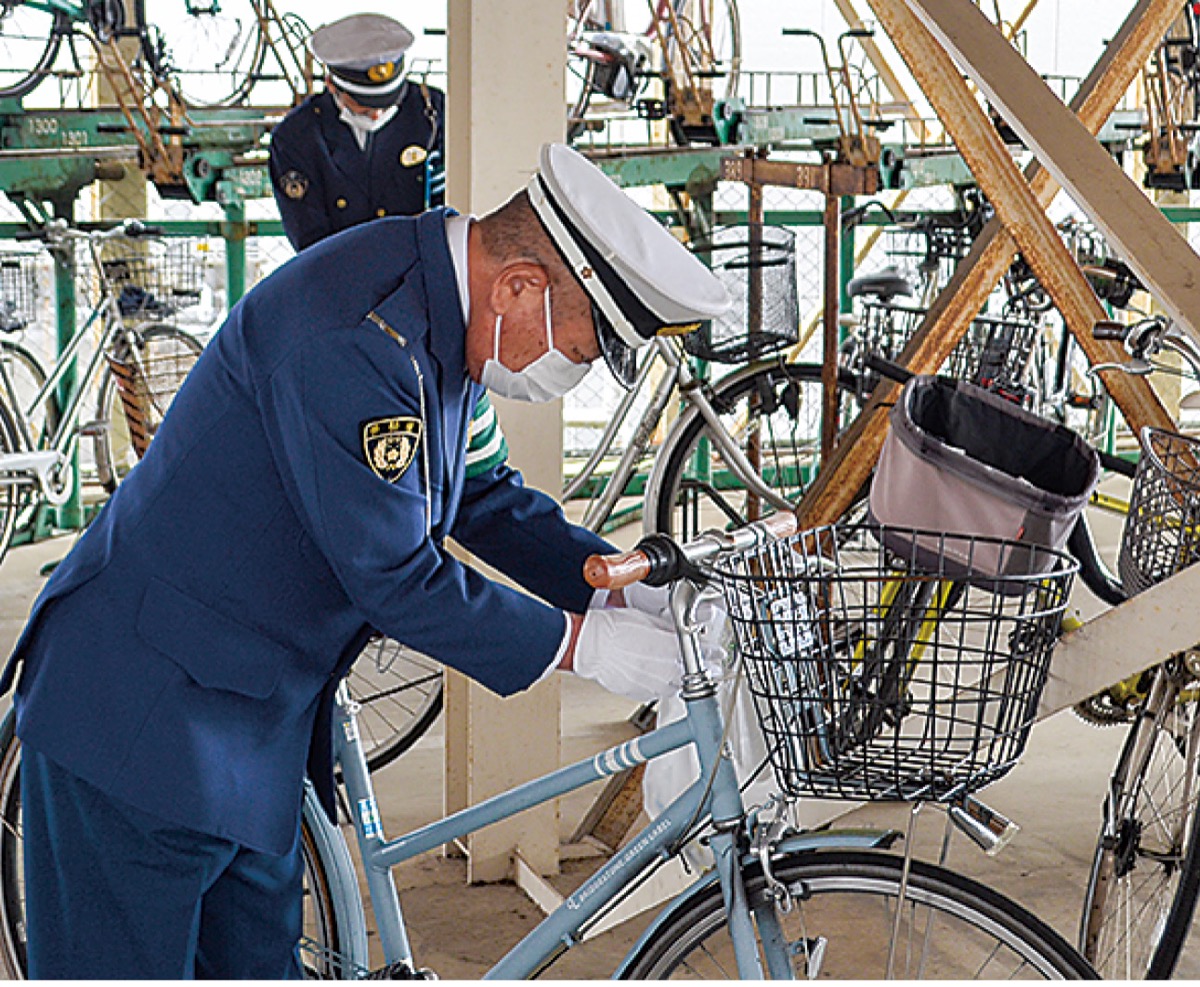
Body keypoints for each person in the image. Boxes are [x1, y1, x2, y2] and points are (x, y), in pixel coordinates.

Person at [0, 142, 730, 978]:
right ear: (520, 285)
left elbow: (485, 496)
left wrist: (611, 587)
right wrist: (579, 645)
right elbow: (396, 575)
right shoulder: (355, 332)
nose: (579, 367)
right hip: (143, 713)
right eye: (585, 344)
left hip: (250, 717)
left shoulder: (439, 316)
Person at [269, 12, 446, 252]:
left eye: (387, 103)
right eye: (364, 106)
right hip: (340, 272)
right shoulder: (297, 137)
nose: (375, 115)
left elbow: (450, 210)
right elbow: (309, 238)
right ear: (332, 85)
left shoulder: (434, 114)